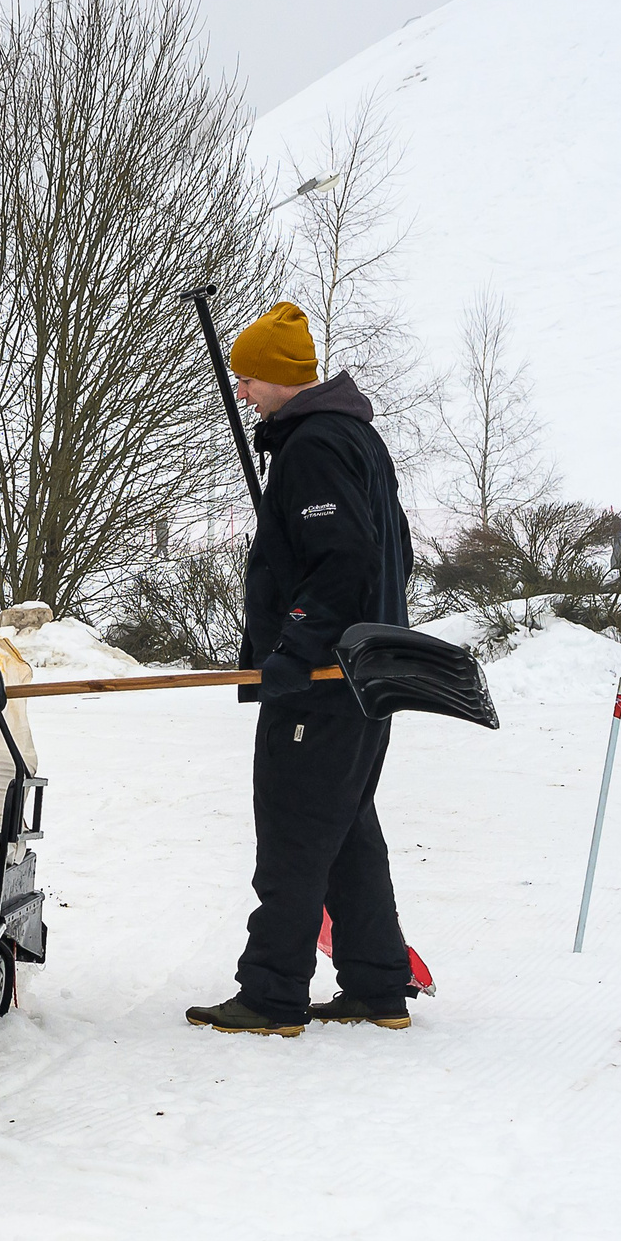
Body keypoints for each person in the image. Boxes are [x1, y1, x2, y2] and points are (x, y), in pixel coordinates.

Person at [186, 302, 418, 1038]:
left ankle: (271, 995)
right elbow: (394, 554)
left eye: (248, 378)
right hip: (363, 678)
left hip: (322, 685)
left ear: (281, 380)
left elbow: (341, 564)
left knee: (292, 834)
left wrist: (294, 651)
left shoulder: (315, 447)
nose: (242, 391)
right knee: (347, 834)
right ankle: (378, 985)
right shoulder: (356, 440)